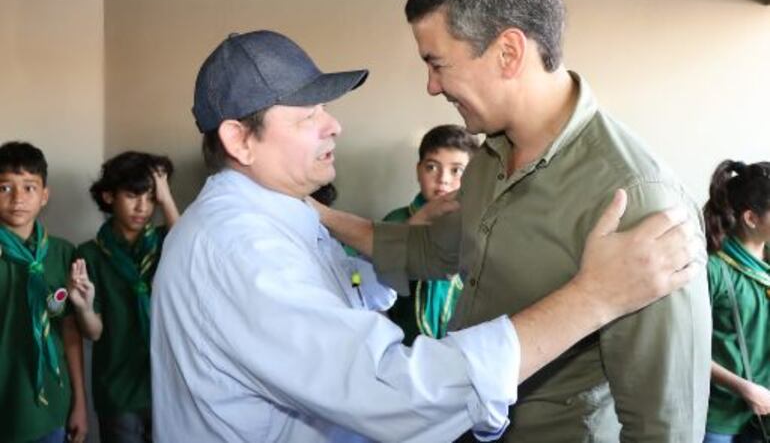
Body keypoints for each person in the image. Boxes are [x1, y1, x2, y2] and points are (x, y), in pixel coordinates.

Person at [151, 29, 699, 443]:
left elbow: (331, 300)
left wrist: (391, 249)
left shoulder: (275, 218)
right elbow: (397, 390)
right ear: (239, 140)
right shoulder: (238, 249)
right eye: (307, 115)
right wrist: (592, 298)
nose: (333, 125)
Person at [319, 0, 711, 442]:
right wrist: (317, 214)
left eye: (438, 64)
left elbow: (666, 428)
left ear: (508, 52)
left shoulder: (636, 199)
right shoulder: (487, 161)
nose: (432, 87)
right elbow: (429, 250)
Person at [68, 151, 179, 443]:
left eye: (151, 197)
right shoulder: (89, 254)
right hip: (118, 390)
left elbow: (190, 250)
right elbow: (94, 332)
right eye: (132, 195)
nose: (143, 206)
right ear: (108, 197)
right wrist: (84, 308)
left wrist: (167, 198)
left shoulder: (167, 242)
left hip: (169, 385)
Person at [0, 141, 88, 443]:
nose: (17, 199)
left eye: (29, 187)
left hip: (51, 404)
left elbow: (70, 331)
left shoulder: (63, 253)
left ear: (44, 196)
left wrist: (80, 403)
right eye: (5, 188)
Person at [384, 124, 478, 344]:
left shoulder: (480, 228)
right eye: (432, 167)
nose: (443, 179)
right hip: (402, 350)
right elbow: (360, 280)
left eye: (457, 170)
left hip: (464, 352)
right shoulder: (396, 222)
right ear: (419, 171)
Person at [702, 160, 770, 443]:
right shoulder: (712, 270)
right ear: (751, 218)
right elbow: (684, 351)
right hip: (721, 418)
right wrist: (745, 388)